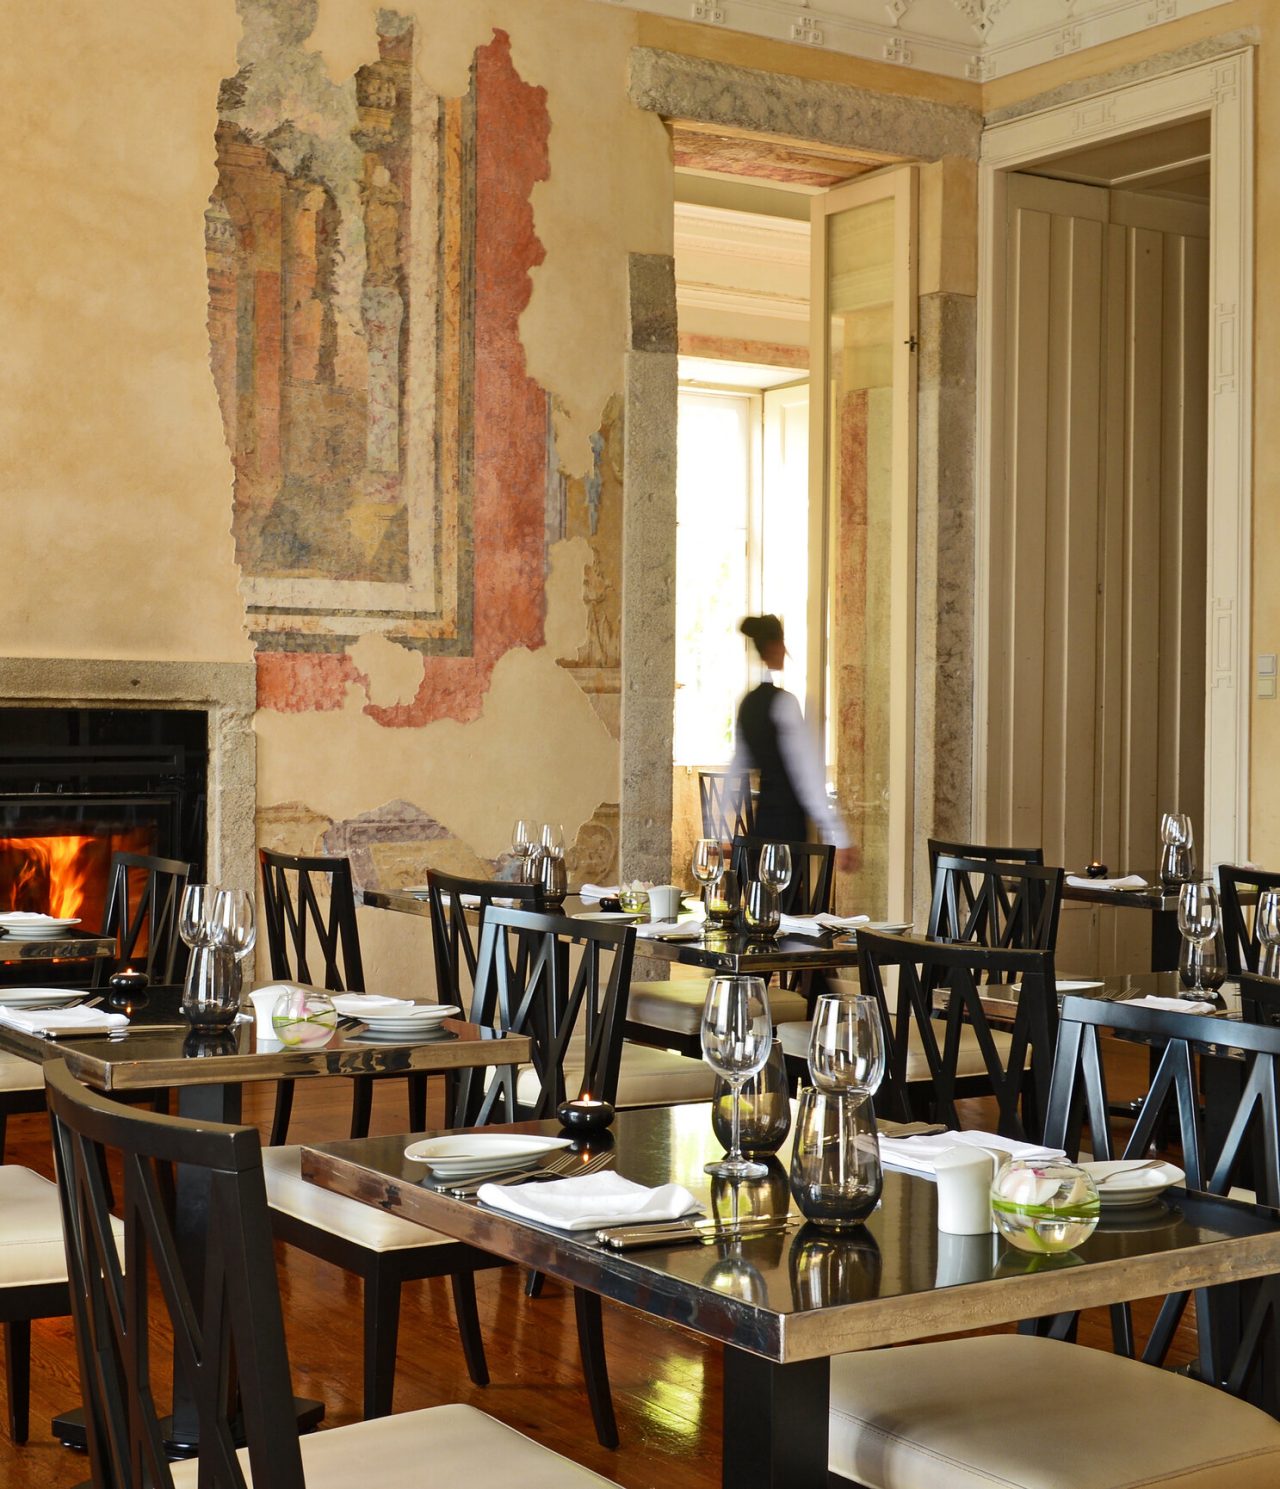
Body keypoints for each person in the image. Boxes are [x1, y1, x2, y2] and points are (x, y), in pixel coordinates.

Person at [732, 614, 856, 873]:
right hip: (788, 828)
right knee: (789, 910)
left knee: (763, 906)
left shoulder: (747, 704)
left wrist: (719, 832)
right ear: (773, 647)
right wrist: (840, 837)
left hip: (762, 826)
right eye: (782, 643)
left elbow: (736, 767)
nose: (785, 650)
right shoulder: (785, 703)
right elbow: (807, 774)